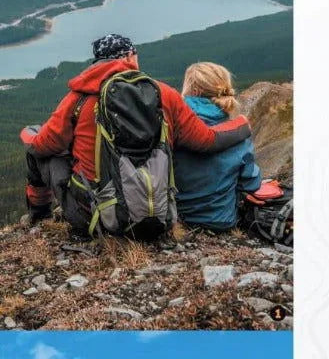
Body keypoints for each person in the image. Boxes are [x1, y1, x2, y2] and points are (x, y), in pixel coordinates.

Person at [21, 34, 253, 232]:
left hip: (94, 218)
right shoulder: (163, 93)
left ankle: (38, 217)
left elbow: (44, 144)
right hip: (156, 215)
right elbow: (207, 140)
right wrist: (241, 124)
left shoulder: (77, 99)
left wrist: (28, 134)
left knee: (38, 153)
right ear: (130, 57)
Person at [175, 61, 264, 230]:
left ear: (194, 91)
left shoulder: (173, 126)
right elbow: (251, 184)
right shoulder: (237, 131)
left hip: (176, 218)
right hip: (221, 221)